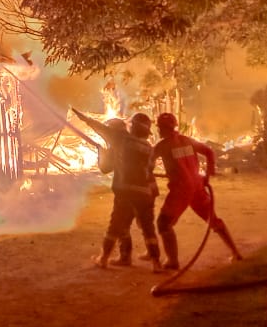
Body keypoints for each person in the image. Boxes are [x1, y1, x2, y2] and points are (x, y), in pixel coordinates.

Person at [71, 108, 162, 270]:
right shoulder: (149, 148)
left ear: (132, 127)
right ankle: (156, 263)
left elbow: (100, 129)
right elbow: (149, 170)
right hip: (145, 193)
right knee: (148, 229)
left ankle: (104, 258)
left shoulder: (123, 139)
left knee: (116, 225)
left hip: (126, 190)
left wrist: (84, 118)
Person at [153, 112, 242, 270]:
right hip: (197, 186)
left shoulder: (162, 146)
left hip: (181, 190)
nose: (158, 130)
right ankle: (236, 252)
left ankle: (172, 261)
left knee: (163, 224)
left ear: (163, 128)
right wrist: (207, 175)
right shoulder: (187, 141)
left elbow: (146, 162)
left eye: (159, 127)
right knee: (213, 220)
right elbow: (209, 152)